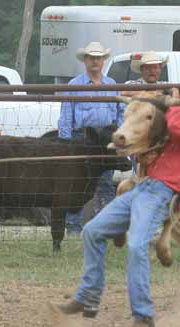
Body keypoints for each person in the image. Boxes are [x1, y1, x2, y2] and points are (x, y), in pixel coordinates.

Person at [56, 86, 180, 327]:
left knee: (138, 244)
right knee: (92, 231)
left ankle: (143, 315)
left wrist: (170, 104)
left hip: (164, 192)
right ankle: (89, 296)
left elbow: (178, 126)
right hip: (144, 188)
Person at [57, 42, 124, 235]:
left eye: (98, 58)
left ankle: (106, 227)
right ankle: (73, 228)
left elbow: (120, 113)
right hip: (82, 140)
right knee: (77, 183)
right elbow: (66, 117)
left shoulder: (112, 85)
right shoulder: (74, 85)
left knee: (105, 183)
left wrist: (118, 138)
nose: (95, 61)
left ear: (103, 61)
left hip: (105, 140)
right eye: (91, 58)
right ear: (85, 61)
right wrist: (65, 144)